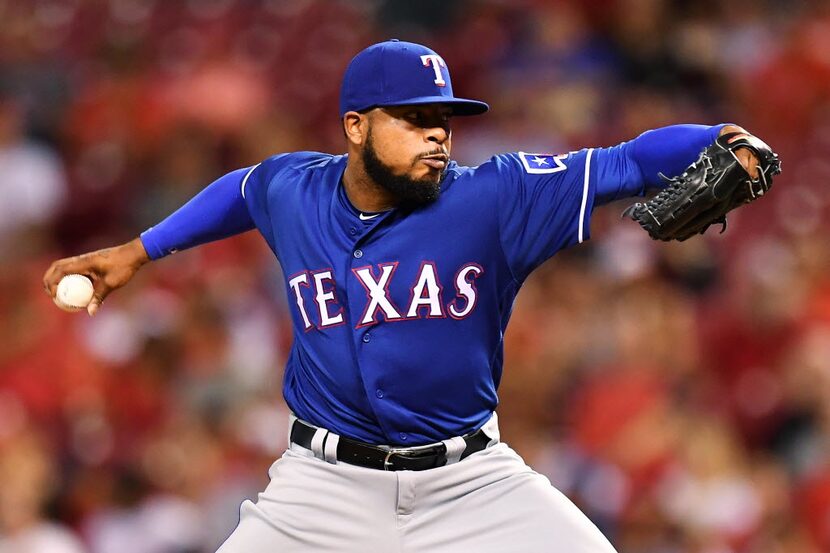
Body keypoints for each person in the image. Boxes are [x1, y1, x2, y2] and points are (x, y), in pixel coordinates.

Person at [44, 40, 764, 552]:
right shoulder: (296, 190)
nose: (437, 136)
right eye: (414, 118)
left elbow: (629, 160)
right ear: (355, 126)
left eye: (443, 120)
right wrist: (139, 251)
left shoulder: (496, 197)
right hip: (319, 490)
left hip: (470, 484)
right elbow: (240, 190)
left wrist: (720, 136)